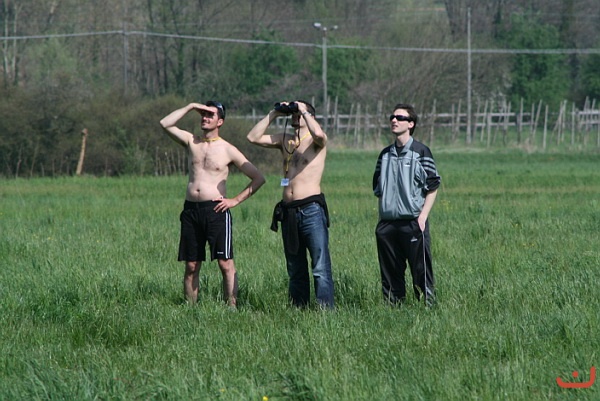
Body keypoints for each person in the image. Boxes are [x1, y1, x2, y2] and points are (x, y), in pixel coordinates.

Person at [160, 101, 265, 307]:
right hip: (191, 210)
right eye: (203, 114)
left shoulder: (228, 149)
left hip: (216, 210)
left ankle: (231, 308)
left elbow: (258, 178)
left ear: (220, 121)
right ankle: (191, 309)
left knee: (225, 264)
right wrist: (190, 106)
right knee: (191, 265)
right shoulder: (192, 141)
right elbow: (165, 123)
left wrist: (234, 200)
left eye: (210, 115)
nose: (205, 118)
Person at [247, 101, 334, 309]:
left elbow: (319, 134)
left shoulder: (316, 141)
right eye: (293, 113)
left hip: (311, 209)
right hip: (289, 211)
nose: (295, 116)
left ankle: (325, 311)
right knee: (295, 267)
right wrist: (275, 112)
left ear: (309, 116)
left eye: (298, 113)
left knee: (320, 267)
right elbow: (253, 137)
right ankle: (299, 308)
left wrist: (303, 110)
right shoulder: (285, 140)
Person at [372, 103, 441, 306]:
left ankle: (427, 309)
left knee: (421, 271)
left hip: (413, 222)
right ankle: (394, 311)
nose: (394, 120)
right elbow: (378, 188)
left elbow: (433, 186)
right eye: (392, 117)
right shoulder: (385, 155)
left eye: (400, 118)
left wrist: (422, 217)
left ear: (411, 124)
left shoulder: (421, 152)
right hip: (387, 224)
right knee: (390, 275)